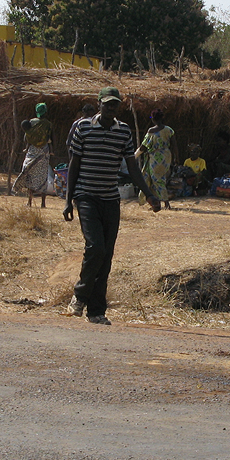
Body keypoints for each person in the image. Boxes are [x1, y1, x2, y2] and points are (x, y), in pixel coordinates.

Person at [63, 87, 161, 325]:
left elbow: (132, 167)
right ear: (99, 104)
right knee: (95, 247)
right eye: (107, 104)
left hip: (110, 199)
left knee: (106, 255)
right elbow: (74, 164)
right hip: (86, 196)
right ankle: (79, 296)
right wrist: (68, 200)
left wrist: (149, 194)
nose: (110, 108)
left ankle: (96, 311)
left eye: (114, 104)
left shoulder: (123, 131)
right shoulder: (83, 128)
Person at [12, 102, 53, 207]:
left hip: (33, 151)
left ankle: (29, 202)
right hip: (44, 151)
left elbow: (27, 137)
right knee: (43, 176)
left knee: (29, 173)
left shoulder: (32, 122)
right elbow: (50, 138)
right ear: (46, 112)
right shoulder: (48, 124)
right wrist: (51, 150)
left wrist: (27, 146)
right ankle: (43, 203)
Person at [138, 108, 177, 209]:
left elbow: (143, 146)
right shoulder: (169, 130)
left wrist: (135, 155)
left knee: (157, 180)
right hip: (166, 157)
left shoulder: (151, 131)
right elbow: (174, 145)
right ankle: (156, 202)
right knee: (159, 178)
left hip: (156, 158)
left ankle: (166, 202)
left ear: (152, 118)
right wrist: (176, 158)